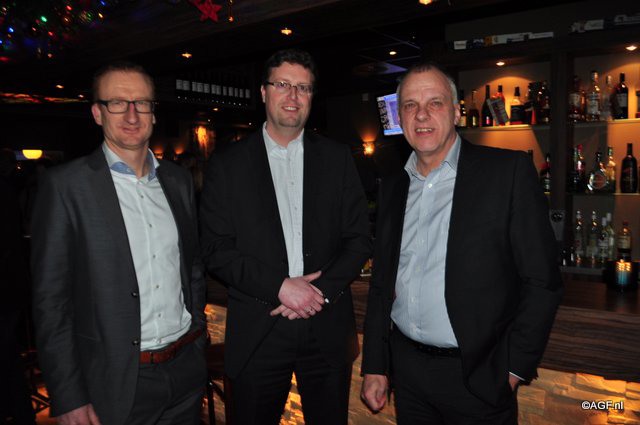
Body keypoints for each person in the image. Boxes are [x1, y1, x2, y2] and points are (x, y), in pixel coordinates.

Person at [360, 62, 563, 424]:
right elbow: (381, 284)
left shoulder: (507, 173)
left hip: (477, 377)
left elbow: (542, 280)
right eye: (410, 105)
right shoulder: (393, 186)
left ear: (456, 112)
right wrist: (376, 364)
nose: (421, 115)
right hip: (408, 373)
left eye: (434, 103)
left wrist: (514, 367)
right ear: (400, 118)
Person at [199, 49, 371, 425]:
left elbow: (360, 238)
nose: (293, 96)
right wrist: (280, 287)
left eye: (303, 88)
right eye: (282, 84)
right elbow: (215, 249)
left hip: (326, 327)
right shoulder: (228, 164)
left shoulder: (337, 158)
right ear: (263, 92)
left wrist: (318, 292)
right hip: (258, 330)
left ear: (312, 96)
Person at [31, 61, 207, 425]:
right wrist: (68, 395)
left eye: (141, 103)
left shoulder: (177, 181)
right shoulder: (66, 186)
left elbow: (191, 266)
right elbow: (52, 302)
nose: (131, 114)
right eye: (117, 103)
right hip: (115, 381)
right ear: (97, 113)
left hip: (185, 370)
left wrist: (197, 334)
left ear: (153, 113)